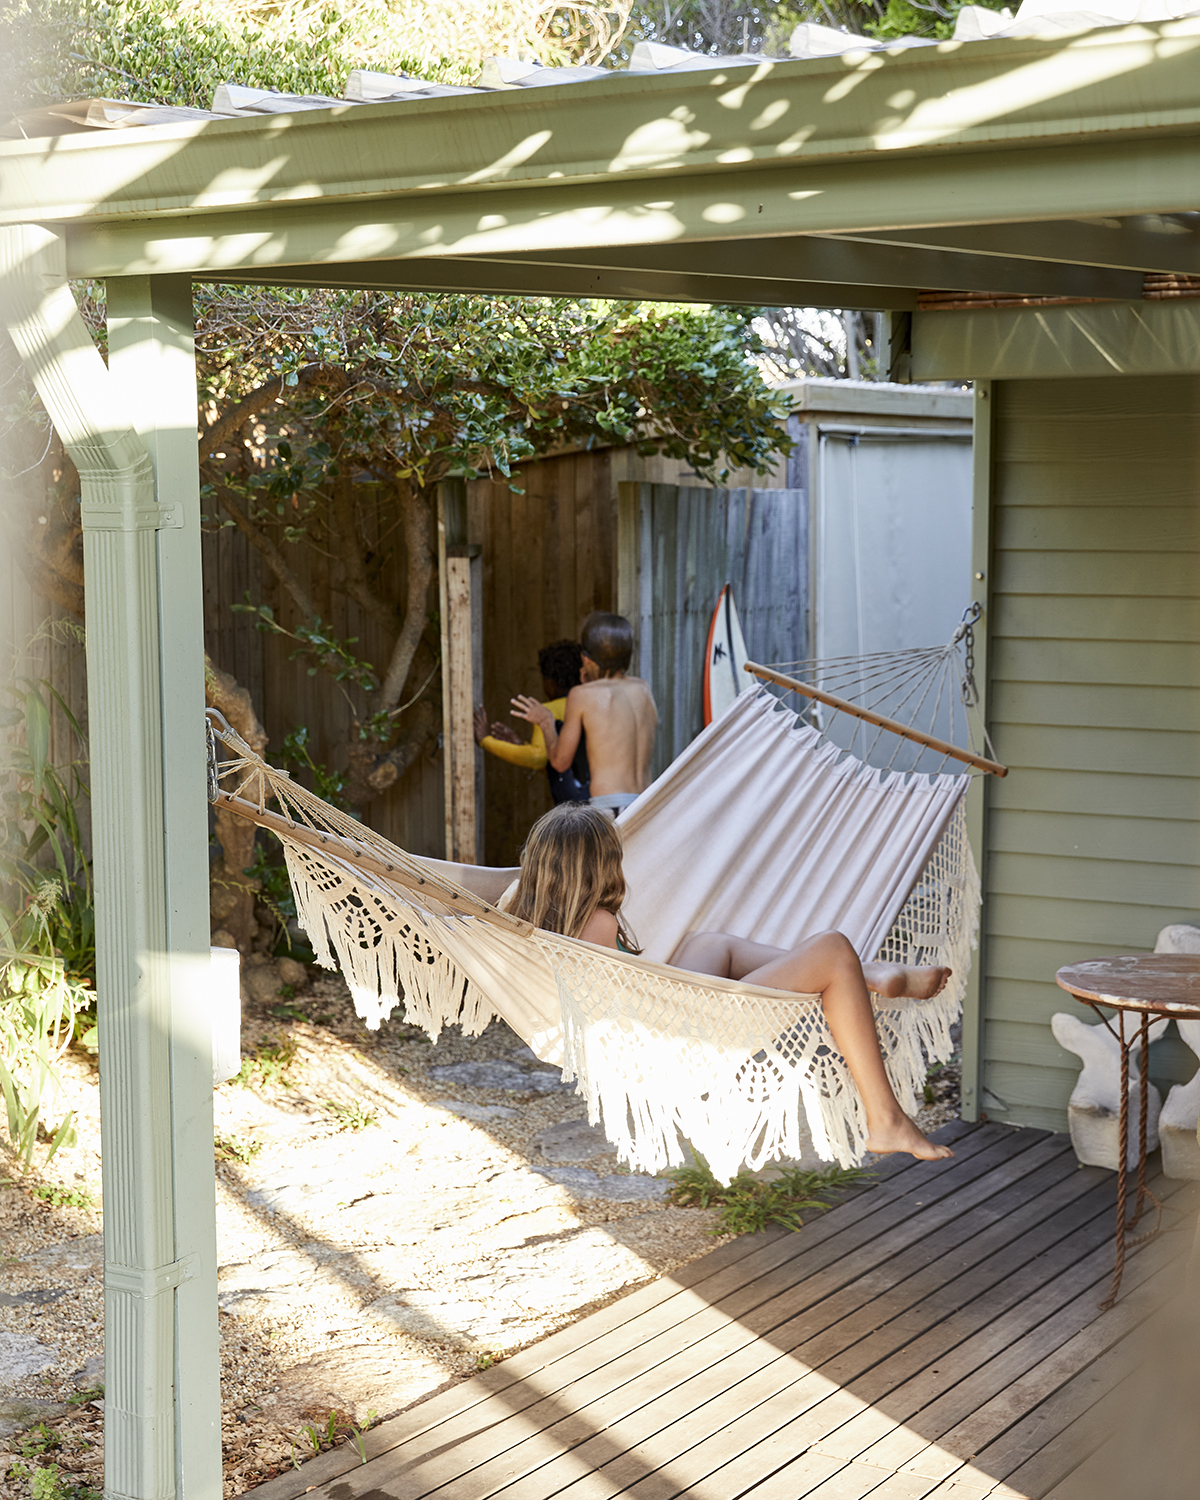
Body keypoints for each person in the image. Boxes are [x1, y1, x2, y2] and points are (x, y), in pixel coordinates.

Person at [508, 802, 955, 1163]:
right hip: (678, 1039)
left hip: (659, 1023)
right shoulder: (598, 922)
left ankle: (869, 973)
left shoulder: (527, 917)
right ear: (602, 867)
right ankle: (885, 1117)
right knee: (834, 950)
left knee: (711, 943)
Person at [511, 611, 657, 819]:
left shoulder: (580, 695)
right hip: (645, 804)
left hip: (609, 808)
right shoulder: (643, 690)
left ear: (586, 659)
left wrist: (546, 721)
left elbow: (560, 762)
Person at [474, 639, 590, 805]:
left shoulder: (549, 710)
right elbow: (565, 763)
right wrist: (520, 745)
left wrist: (486, 741)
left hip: (572, 805)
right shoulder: (588, 705)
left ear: (550, 681)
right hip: (594, 797)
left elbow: (537, 757)